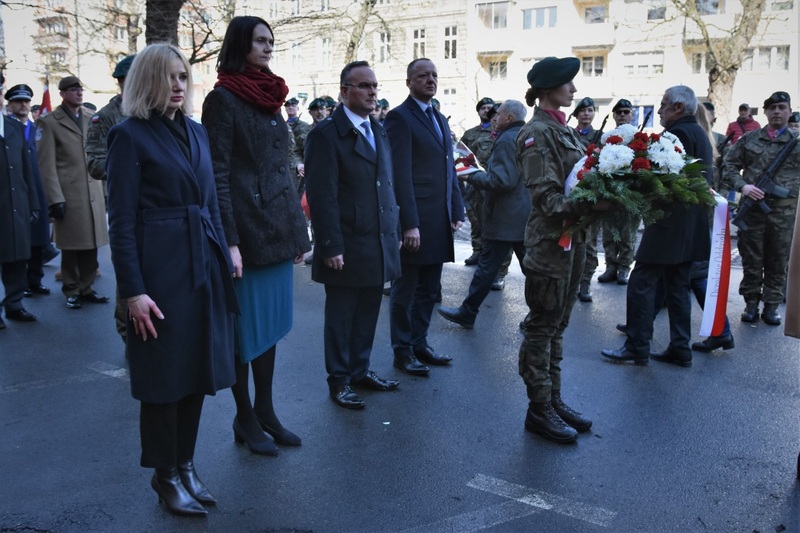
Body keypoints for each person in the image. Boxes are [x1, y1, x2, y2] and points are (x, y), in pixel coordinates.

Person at [106, 43, 238, 517]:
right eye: (169, 77)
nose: (179, 86)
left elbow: (213, 205)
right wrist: (134, 292)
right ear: (147, 81)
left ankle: (185, 463)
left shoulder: (198, 133)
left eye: (183, 77)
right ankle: (165, 475)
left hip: (201, 266)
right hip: (158, 273)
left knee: (196, 371)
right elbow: (120, 223)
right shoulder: (129, 136)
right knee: (164, 378)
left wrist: (226, 256)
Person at [202, 16, 311, 454]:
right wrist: (229, 241)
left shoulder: (270, 97)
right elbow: (218, 176)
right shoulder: (222, 99)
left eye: (271, 41)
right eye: (259, 41)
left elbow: (281, 172)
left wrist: (298, 235)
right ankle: (244, 416)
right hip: (245, 237)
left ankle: (265, 411)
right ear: (239, 44)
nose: (268, 47)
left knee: (268, 330)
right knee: (244, 335)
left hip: (277, 232)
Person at [305, 60, 402, 409]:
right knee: (341, 315)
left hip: (377, 238)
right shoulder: (326, 134)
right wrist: (330, 244)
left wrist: (396, 230)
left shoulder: (378, 130)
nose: (372, 91)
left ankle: (360, 369)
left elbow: (387, 186)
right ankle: (340, 380)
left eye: (374, 85)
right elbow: (321, 195)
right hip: (346, 239)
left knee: (368, 311)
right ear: (344, 91)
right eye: (363, 86)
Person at [515, 57, 598, 444]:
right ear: (549, 88)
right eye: (569, 84)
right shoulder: (536, 133)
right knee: (542, 325)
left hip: (573, 240)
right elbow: (547, 198)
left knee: (559, 326)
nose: (575, 90)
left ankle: (554, 399)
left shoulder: (564, 131)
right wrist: (596, 205)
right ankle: (538, 408)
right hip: (550, 243)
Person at [602, 85, 712, 368]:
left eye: (663, 104)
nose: (659, 110)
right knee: (676, 286)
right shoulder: (698, 131)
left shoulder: (680, 133)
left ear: (678, 107)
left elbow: (665, 179)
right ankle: (680, 348)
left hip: (669, 223)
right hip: (689, 225)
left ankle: (637, 345)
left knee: (641, 282)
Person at [385, 58, 465, 377]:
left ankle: (420, 343)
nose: (430, 80)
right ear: (409, 82)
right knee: (405, 291)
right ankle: (402, 351)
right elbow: (399, 174)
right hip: (415, 222)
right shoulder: (399, 118)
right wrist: (409, 224)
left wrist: (456, 208)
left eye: (434, 75)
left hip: (438, 218)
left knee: (429, 289)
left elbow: (450, 169)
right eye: (423, 75)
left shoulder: (439, 118)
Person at [437, 100, 528, 329]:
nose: (493, 118)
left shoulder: (507, 139)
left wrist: (471, 176)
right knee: (523, 269)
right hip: (518, 214)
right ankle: (469, 312)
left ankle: (468, 312)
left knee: (489, 268)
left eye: (498, 114)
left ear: (509, 118)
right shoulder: (523, 135)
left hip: (505, 215)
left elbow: (502, 180)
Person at [721, 91, 800, 326]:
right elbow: (728, 165)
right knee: (751, 260)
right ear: (765, 112)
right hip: (754, 210)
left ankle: (773, 306)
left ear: (789, 111)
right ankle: (751, 304)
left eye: (782, 107)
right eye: (772, 107)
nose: (777, 111)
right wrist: (743, 186)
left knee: (778, 260)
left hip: (785, 213)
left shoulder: (797, 142)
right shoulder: (750, 139)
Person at [37, 76, 109, 309]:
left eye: (80, 89)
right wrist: (54, 198)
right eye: (73, 90)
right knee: (71, 245)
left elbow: (99, 154)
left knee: (91, 243)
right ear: (63, 94)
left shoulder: (90, 118)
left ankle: (87, 287)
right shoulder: (49, 122)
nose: (79, 93)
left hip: (93, 190)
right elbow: (46, 165)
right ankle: (71, 288)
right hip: (69, 192)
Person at [85, 54, 135, 346]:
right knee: (129, 273)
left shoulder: (154, 110)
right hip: (123, 203)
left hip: (155, 204)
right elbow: (94, 162)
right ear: (120, 82)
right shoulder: (104, 117)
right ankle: (127, 334)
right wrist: (130, 168)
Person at [5, 83, 51, 299]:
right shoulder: (8, 128)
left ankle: (34, 281)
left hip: (36, 190)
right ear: (10, 104)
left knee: (37, 240)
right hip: (13, 192)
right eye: (18, 101)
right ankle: (19, 287)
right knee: (16, 243)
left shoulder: (37, 129)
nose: (23, 105)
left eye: (26, 101)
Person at [0, 83, 39, 329]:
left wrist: (33, 204)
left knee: (16, 257)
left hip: (17, 204)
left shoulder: (14, 127)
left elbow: (27, 170)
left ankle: (14, 305)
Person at [597, 98, 638, 286]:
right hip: (609, 192)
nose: (622, 115)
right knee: (609, 233)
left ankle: (624, 268)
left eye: (626, 112)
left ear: (632, 114)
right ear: (613, 115)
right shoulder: (606, 138)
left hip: (630, 193)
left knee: (627, 234)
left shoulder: (639, 138)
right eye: (619, 112)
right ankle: (610, 267)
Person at [460, 97, 496, 265]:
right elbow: (461, 157)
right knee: (475, 220)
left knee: (492, 220)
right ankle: (477, 250)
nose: (486, 111)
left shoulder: (498, 132)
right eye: (483, 108)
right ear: (478, 111)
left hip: (493, 183)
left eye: (490, 108)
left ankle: (489, 255)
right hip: (474, 184)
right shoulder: (470, 134)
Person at [572, 96, 598, 302]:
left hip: (592, 196)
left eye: (590, 110)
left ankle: (585, 283)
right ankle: (570, 282)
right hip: (572, 194)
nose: (586, 114)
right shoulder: (568, 135)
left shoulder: (601, 136)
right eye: (582, 110)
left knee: (589, 244)